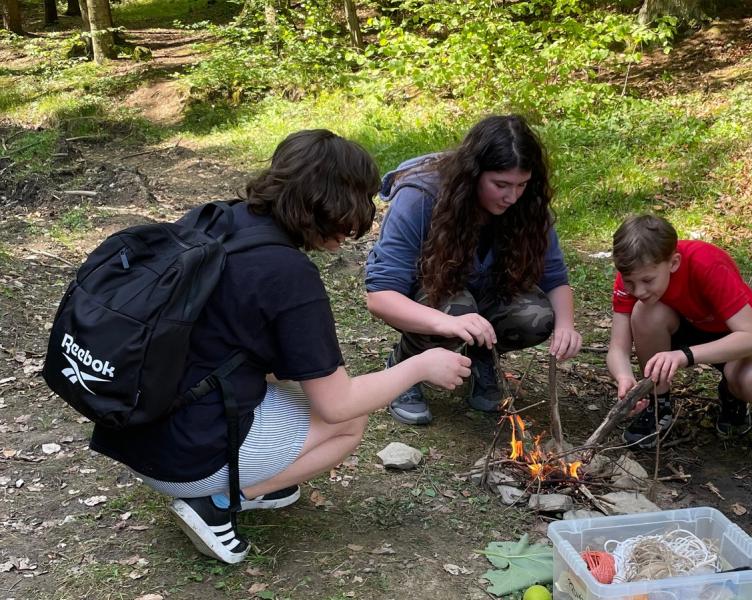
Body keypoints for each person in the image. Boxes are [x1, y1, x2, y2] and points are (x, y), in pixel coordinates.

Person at [89, 130, 471, 564]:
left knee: (294, 387)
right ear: (333, 202)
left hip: (133, 427)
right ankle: (219, 502)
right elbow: (338, 404)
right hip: (180, 459)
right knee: (350, 422)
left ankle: (239, 479)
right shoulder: (288, 274)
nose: (359, 219)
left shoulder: (216, 218)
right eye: (360, 201)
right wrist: (421, 365)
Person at [365, 114, 582, 425]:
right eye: (500, 185)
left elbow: (555, 278)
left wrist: (566, 326)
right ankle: (406, 367)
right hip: (430, 297)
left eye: (521, 185)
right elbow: (380, 296)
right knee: (457, 308)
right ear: (473, 174)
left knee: (536, 315)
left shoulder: (528, 205)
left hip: (485, 292)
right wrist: (448, 323)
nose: (512, 196)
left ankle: (482, 357)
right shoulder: (420, 197)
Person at [605, 214, 752, 448]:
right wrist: (624, 378)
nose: (638, 290)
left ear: (674, 263)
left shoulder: (706, 263)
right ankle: (659, 404)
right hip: (682, 325)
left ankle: (733, 394)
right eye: (630, 283)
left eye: (648, 281)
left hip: (732, 335)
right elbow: (617, 348)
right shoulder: (634, 273)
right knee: (644, 311)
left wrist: (684, 355)